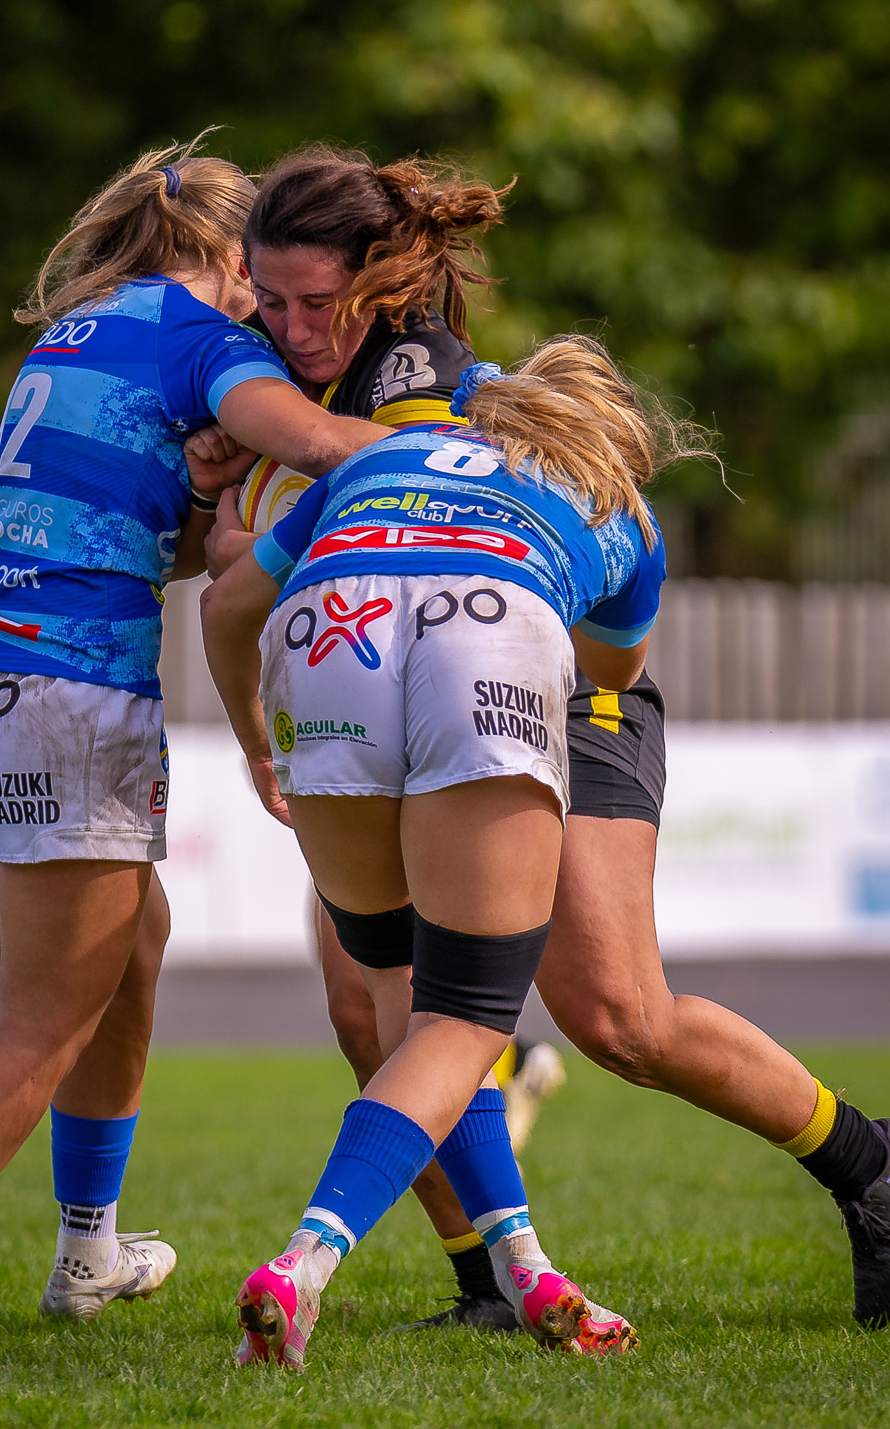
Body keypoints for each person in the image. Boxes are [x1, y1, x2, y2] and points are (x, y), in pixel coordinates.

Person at [195, 144, 890, 1336]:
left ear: (379, 283)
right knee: (369, 995)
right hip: (390, 668)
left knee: (615, 1019)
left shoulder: (423, 377)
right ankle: (492, 1278)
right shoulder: (252, 374)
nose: (287, 327)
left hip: (554, 674)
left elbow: (278, 552)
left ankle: (862, 1158)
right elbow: (225, 551)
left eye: (311, 303)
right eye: (264, 299)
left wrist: (244, 529)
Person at [0, 136, 388, 1343]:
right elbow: (320, 445)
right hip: (65, 688)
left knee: (134, 942)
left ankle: (88, 1252)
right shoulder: (207, 341)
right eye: (266, 293)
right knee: (43, 1016)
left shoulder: (76, 332)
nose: (276, 319)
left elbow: (117, 519)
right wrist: (480, 461)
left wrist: (203, 482)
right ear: (234, 256)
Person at [201, 338, 685, 1368]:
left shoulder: (374, 461)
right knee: (467, 1019)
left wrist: (254, 741)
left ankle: (524, 1274)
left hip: (328, 636)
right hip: (489, 633)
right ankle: (298, 1268)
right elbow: (607, 666)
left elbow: (227, 603)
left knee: (405, 1001)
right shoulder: (615, 502)